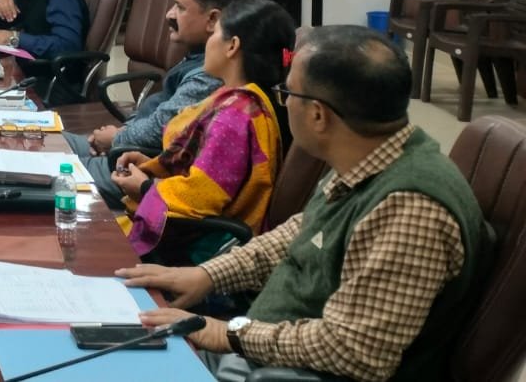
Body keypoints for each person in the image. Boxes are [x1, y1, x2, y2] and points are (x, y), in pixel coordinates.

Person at [122, 26, 490, 382]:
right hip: (261, 350)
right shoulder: (371, 156)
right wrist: (208, 276)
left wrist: (226, 333)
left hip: (282, 371)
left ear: (317, 114)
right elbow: (301, 233)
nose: (283, 101)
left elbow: (353, 350)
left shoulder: (409, 209)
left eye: (287, 92)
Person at [113, 0, 293, 263]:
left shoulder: (235, 117)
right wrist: (154, 164)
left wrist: (145, 186)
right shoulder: (241, 100)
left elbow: (201, 195)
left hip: (195, 248)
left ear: (232, 46)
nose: (209, 42)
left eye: (215, 32)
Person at [64, 0, 243, 208]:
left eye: (180, 7)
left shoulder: (212, 74)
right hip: (128, 151)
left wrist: (116, 139)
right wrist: (119, 136)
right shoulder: (196, 56)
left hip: (140, 169)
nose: (169, 14)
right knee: (49, 141)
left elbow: (161, 130)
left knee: (48, 172)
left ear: (213, 19)